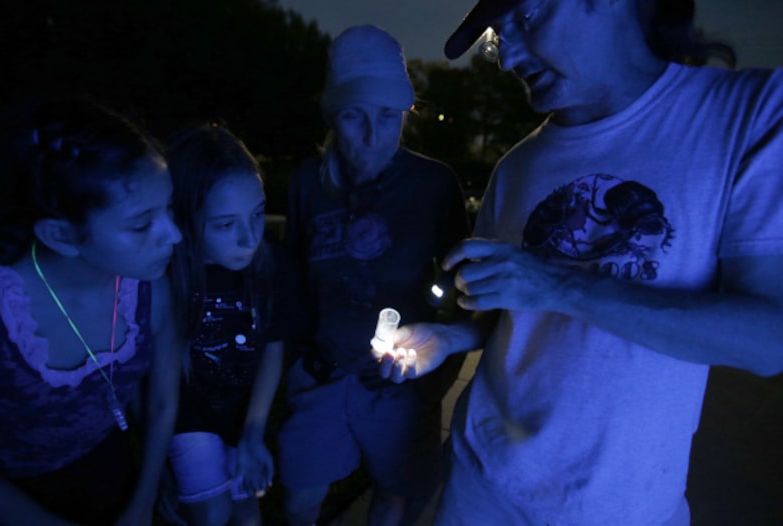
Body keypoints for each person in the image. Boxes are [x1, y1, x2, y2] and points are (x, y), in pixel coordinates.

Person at [378, 0, 783, 525]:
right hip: (480, 486)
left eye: (525, 19)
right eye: (500, 38)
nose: (506, 58)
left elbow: (769, 339)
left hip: (626, 508)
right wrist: (451, 338)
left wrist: (557, 285)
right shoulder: (517, 166)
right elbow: (501, 315)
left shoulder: (748, 116)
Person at [0, 97, 183, 525]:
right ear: (61, 235)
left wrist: (142, 501)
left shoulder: (148, 288)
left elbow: (163, 401)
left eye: (168, 209)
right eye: (141, 224)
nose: (174, 234)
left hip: (111, 470)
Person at [277, 24, 471, 526]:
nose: (372, 135)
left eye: (388, 117)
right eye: (353, 116)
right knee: (298, 499)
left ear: (406, 113)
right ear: (331, 116)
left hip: (399, 388)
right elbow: (292, 279)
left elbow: (461, 292)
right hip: (322, 376)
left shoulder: (433, 186)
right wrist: (296, 364)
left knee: (395, 498)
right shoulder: (306, 184)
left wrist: (434, 381)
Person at [165, 122, 305, 526]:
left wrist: (252, 432)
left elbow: (273, 348)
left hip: (239, 413)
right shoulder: (167, 278)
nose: (249, 239)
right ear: (187, 219)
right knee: (212, 515)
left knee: (248, 516)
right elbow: (152, 382)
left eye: (258, 214)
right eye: (225, 225)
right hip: (184, 415)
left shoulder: (272, 266)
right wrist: (158, 469)